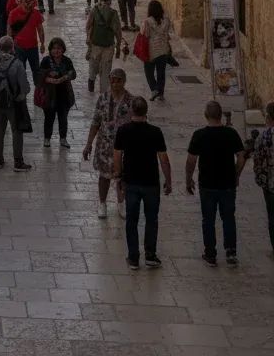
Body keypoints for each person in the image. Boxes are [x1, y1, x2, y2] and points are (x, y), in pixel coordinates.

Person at [113, 95, 172, 269]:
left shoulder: (123, 131)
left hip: (131, 182)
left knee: (131, 220)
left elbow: (117, 156)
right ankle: (150, 255)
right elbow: (164, 159)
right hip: (151, 183)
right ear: (146, 111)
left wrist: (119, 177)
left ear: (131, 110)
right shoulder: (155, 132)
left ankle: (133, 258)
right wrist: (168, 181)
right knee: (152, 219)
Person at [186, 100, 246, 266]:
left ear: (206, 115)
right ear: (220, 115)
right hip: (227, 183)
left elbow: (191, 160)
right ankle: (231, 252)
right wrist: (236, 174)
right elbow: (241, 157)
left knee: (208, 219)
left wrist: (188, 179)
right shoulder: (231, 134)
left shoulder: (199, 135)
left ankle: (210, 253)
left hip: (207, 184)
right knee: (228, 218)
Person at [83, 67, 134, 218]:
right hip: (104, 145)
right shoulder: (103, 99)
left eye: (119, 80)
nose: (115, 84)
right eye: (113, 80)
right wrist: (88, 144)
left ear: (124, 81)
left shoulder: (131, 101)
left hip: (124, 146)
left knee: (122, 176)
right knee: (104, 176)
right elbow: (95, 121)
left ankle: (121, 203)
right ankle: (102, 203)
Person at [0, 36, 32, 172]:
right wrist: (21, 95)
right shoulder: (16, 64)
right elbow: (25, 87)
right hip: (14, 104)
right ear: (12, 47)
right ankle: (18, 162)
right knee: (17, 132)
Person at [85, 0, 126, 93]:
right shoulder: (113, 13)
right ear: (110, 1)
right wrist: (118, 46)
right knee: (106, 70)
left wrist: (88, 38)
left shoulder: (94, 10)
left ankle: (91, 81)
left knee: (93, 65)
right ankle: (103, 92)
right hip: (108, 46)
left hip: (95, 45)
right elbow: (118, 31)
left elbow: (88, 25)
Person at [38, 37, 76, 149]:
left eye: (59, 48)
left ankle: (63, 139)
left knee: (63, 118)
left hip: (64, 94)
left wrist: (64, 77)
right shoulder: (46, 61)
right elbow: (39, 76)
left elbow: (73, 74)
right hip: (49, 95)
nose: (56, 51)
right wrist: (49, 78)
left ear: (63, 49)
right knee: (49, 117)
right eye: (54, 48)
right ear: (50, 49)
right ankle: (47, 139)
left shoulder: (67, 61)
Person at [140, 0, 174, 102]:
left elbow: (144, 34)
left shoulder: (147, 22)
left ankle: (154, 89)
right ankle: (161, 94)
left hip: (151, 51)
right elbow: (167, 34)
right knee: (161, 73)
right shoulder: (166, 21)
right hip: (163, 50)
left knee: (149, 72)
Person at [8, 0, 46, 77]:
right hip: (19, 47)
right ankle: (22, 89)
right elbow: (9, 30)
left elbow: (40, 29)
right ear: (20, 1)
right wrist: (10, 47)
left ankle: (38, 89)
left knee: (36, 70)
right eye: (26, 1)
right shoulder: (14, 13)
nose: (29, 3)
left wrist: (42, 43)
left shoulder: (36, 13)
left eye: (31, 0)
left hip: (33, 46)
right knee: (20, 71)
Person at [253, 100, 274, 254]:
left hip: (270, 185)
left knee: (272, 218)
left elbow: (258, 161)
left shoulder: (264, 137)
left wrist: (260, 179)